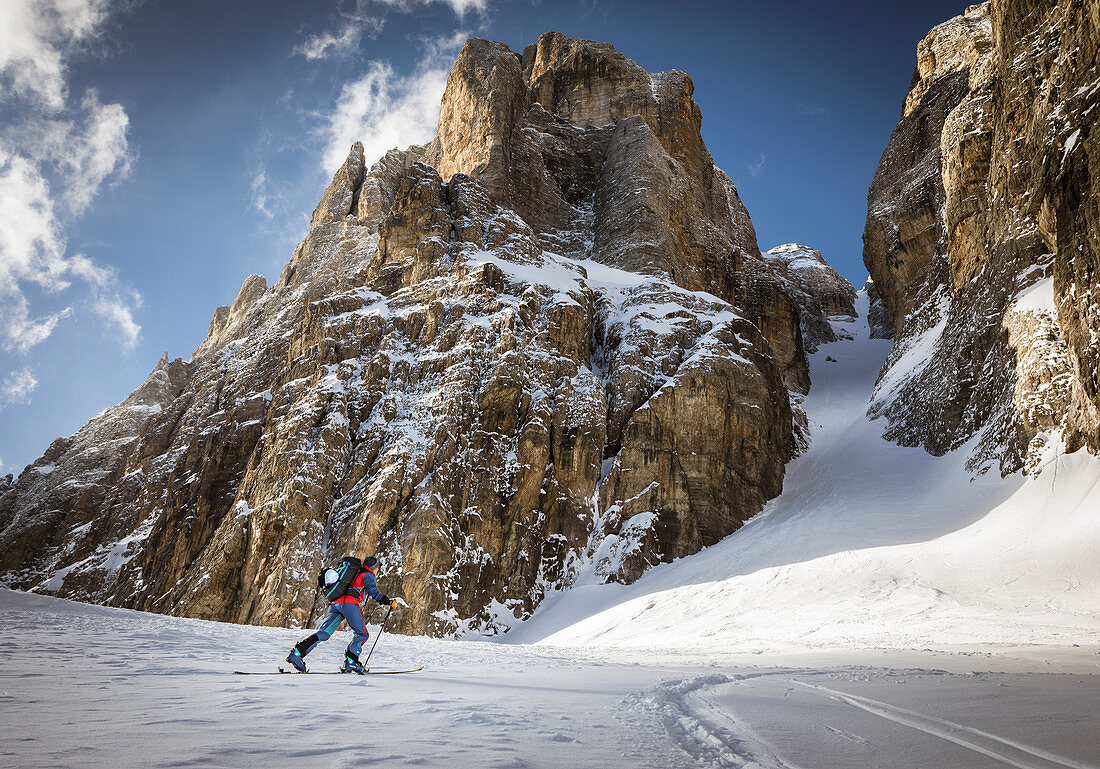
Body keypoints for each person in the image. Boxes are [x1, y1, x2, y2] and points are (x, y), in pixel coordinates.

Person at [286, 555, 397, 673]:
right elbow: (374, 593)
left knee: (324, 633)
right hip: (349, 604)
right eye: (377, 567)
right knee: (362, 634)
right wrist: (388, 601)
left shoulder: (354, 574)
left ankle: (297, 653)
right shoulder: (367, 575)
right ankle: (351, 662)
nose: (378, 570)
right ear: (373, 567)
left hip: (335, 603)